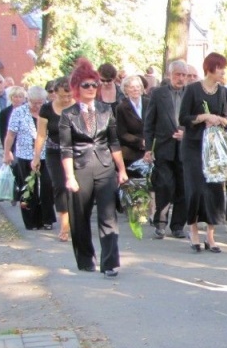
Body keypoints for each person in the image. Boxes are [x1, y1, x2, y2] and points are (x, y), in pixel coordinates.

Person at [59, 58, 129, 277]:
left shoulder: (106, 110)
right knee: (80, 216)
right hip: (80, 168)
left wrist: (122, 169)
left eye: (94, 84)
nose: (91, 89)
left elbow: (114, 142)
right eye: (86, 85)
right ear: (77, 88)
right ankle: (86, 258)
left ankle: (110, 263)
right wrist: (70, 177)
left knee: (108, 216)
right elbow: (66, 148)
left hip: (104, 166)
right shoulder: (68, 114)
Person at [178, 52, 227, 254]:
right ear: (210, 68)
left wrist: (219, 119)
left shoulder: (224, 92)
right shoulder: (192, 89)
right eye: (220, 68)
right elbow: (183, 118)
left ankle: (210, 234)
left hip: (215, 148)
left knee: (214, 190)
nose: (223, 71)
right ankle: (193, 230)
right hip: (193, 146)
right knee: (195, 189)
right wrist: (203, 117)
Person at [143, 60, 188, 240]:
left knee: (183, 188)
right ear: (170, 75)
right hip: (164, 147)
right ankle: (160, 223)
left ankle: (178, 225)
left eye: (183, 75)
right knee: (165, 185)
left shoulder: (191, 93)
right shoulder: (159, 93)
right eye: (177, 74)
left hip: (185, 149)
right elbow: (149, 122)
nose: (180, 78)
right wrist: (148, 148)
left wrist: (186, 133)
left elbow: (195, 120)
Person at [4, 86, 55, 230]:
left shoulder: (48, 110)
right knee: (28, 188)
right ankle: (31, 220)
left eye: (41, 102)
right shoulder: (19, 112)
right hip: (25, 155)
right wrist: (7, 152)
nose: (38, 106)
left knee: (47, 185)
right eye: (34, 103)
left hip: (46, 155)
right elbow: (11, 134)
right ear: (28, 100)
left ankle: (47, 219)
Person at [33, 77, 74, 242]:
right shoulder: (46, 109)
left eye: (69, 96)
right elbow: (41, 134)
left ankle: (76, 221)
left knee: (77, 188)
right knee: (59, 186)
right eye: (62, 96)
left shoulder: (79, 106)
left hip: (75, 152)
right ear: (54, 93)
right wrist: (36, 157)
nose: (66, 99)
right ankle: (64, 224)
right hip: (54, 152)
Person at [115, 75, 149, 175]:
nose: (135, 89)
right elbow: (122, 133)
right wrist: (140, 142)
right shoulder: (121, 108)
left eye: (138, 86)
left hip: (150, 151)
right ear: (126, 90)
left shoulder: (149, 103)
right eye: (131, 87)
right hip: (131, 152)